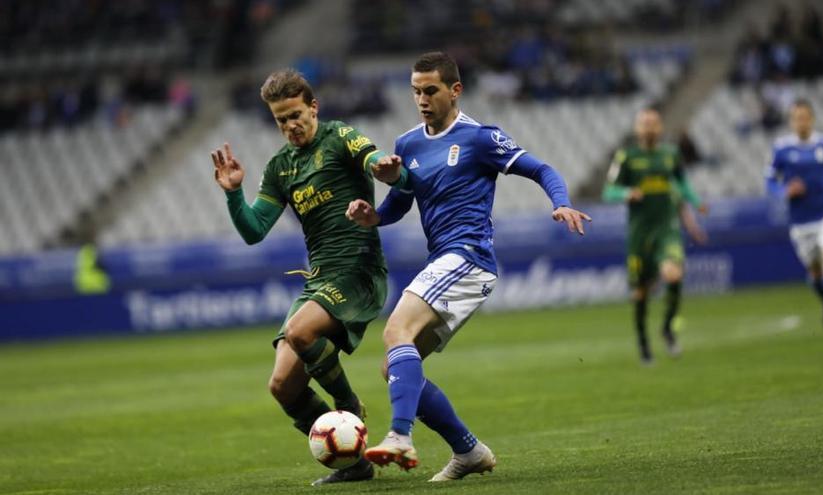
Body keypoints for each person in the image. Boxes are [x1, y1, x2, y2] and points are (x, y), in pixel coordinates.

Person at [345, 51, 591, 482]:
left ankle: (399, 436)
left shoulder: (479, 138)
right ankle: (469, 451)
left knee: (394, 332)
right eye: (415, 91)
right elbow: (401, 203)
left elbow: (542, 168)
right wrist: (374, 217)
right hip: (444, 259)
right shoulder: (407, 144)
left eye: (430, 90)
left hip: (469, 256)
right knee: (395, 368)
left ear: (455, 90)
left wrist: (561, 203)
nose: (421, 99)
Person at [211, 69, 390, 486]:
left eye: (295, 114)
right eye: (280, 119)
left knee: (299, 332)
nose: (290, 125)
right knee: (281, 387)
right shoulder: (279, 168)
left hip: (358, 271)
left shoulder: (340, 137)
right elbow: (254, 231)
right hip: (320, 280)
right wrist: (234, 192)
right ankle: (354, 463)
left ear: (313, 107)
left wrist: (383, 166)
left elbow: (372, 157)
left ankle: (348, 407)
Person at [602, 108, 707, 365]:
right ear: (637, 128)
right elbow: (608, 191)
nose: (649, 128)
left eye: (653, 123)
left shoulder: (670, 155)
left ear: (659, 128)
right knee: (640, 294)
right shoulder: (626, 157)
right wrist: (626, 194)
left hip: (666, 229)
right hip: (640, 235)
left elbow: (681, 184)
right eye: (644, 123)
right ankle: (644, 344)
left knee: (673, 273)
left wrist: (695, 201)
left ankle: (668, 328)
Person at [765, 99, 823, 340]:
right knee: (815, 273)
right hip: (801, 221)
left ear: (812, 119)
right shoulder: (782, 149)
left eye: (805, 117)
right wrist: (784, 192)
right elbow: (770, 181)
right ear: (791, 121)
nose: (801, 122)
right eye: (797, 118)